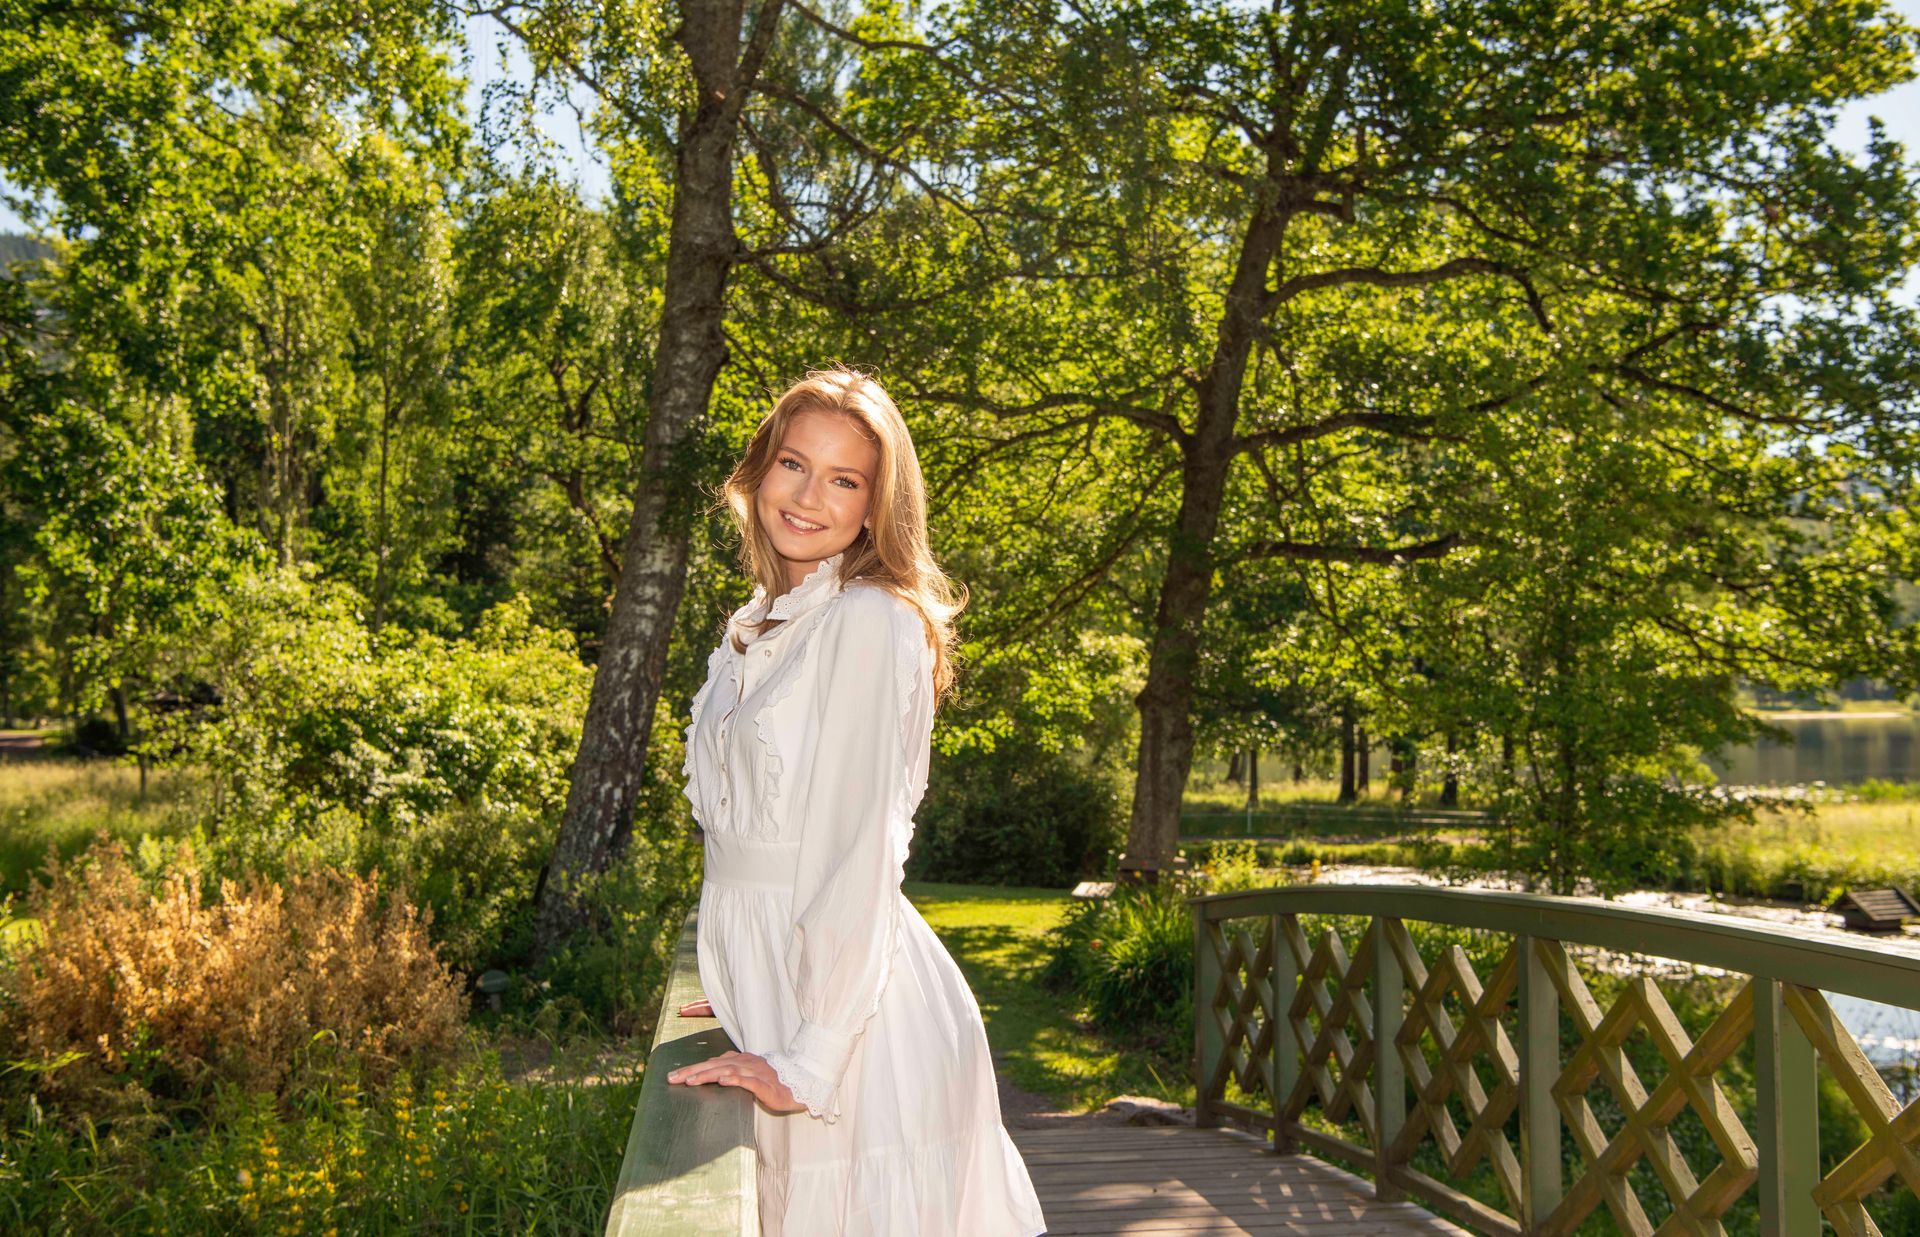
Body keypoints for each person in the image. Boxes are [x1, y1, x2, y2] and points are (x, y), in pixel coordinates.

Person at [664, 367, 1048, 1236]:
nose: (808, 496)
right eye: (794, 463)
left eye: (844, 479)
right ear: (760, 468)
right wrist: (740, 971)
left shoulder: (867, 621)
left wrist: (806, 1059)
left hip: (849, 1035)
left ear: (878, 505)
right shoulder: (770, 616)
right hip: (776, 991)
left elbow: (857, 850)